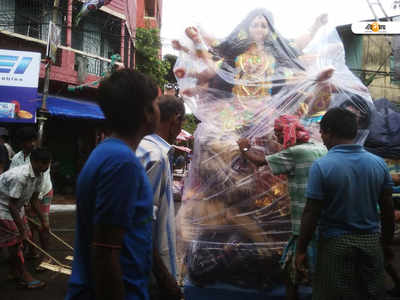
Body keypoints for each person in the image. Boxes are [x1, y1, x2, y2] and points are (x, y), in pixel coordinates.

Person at [65, 69, 160, 300]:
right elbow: (105, 253)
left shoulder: (108, 153)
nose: (160, 109)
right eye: (156, 103)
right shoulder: (122, 162)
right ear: (147, 113)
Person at [295, 107, 395, 300]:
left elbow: (311, 213)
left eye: (322, 132)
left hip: (335, 245)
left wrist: (301, 250)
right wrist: (386, 243)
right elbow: (388, 211)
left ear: (329, 133)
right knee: (371, 293)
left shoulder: (322, 166)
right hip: (370, 242)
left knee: (332, 294)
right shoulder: (378, 163)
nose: (322, 138)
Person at [237, 115, 326, 300]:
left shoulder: (296, 153)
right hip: (322, 222)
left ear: (288, 132)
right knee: (319, 273)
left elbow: (260, 162)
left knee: (291, 272)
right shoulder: (320, 148)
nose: (276, 139)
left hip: (302, 224)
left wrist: (244, 147)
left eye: (279, 133)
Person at [136, 95, 185, 300]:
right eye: (181, 123)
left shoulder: (142, 148)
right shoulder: (156, 157)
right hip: (151, 276)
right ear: (175, 119)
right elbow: (142, 225)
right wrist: (164, 277)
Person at [0, 148, 51, 289]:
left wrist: (44, 221)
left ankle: (14, 271)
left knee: (25, 237)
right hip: (3, 208)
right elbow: (11, 205)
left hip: (16, 207)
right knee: (16, 241)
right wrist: (21, 230)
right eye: (43, 163)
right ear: (33, 162)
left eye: (48, 163)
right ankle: (24, 276)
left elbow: (34, 201)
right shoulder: (20, 176)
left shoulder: (40, 174)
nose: (45, 167)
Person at [10, 127, 53, 270]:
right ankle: (33, 251)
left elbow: (42, 180)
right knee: (28, 224)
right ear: (22, 143)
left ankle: (46, 255)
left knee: (43, 224)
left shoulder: (40, 156)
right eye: (29, 141)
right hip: (25, 196)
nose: (33, 143)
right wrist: (25, 200)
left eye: (34, 140)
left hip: (42, 193)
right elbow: (14, 179)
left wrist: (32, 201)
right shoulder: (17, 158)